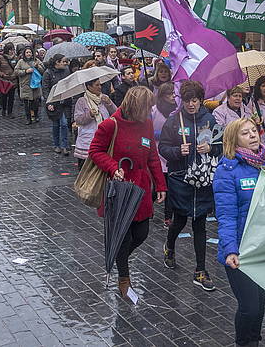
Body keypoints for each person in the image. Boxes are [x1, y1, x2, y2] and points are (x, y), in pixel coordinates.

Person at [213, 118, 265, 347]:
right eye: (245, 133)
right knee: (249, 306)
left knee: (259, 303)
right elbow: (226, 215)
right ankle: (243, 342)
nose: (253, 136)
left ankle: (253, 341)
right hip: (242, 248)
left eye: (254, 131)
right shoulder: (227, 170)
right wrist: (230, 250)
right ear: (233, 140)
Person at [89, 86, 167, 297]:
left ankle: (118, 257)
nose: (150, 111)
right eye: (147, 107)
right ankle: (124, 276)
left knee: (141, 234)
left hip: (141, 188)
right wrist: (113, 167)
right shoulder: (110, 125)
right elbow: (95, 151)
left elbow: (152, 156)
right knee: (123, 235)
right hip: (119, 189)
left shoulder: (147, 124)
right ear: (136, 106)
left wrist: (160, 185)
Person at [159, 80, 219, 291]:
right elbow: (163, 147)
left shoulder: (210, 120)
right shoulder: (174, 121)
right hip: (180, 178)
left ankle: (200, 270)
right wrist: (177, 151)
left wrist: (211, 148)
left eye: (194, 100)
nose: (191, 104)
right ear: (182, 101)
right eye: (187, 101)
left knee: (200, 223)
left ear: (200, 100)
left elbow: (220, 147)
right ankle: (170, 246)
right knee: (180, 219)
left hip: (203, 179)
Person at [73, 78, 117, 169]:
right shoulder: (82, 101)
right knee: (86, 169)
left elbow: (115, 113)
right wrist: (89, 114)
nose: (100, 87)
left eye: (100, 84)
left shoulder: (104, 98)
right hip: (88, 139)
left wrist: (109, 103)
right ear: (89, 87)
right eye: (97, 85)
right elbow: (78, 120)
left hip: (104, 137)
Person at [151, 82, 177, 227]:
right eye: (169, 94)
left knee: (171, 188)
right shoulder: (154, 110)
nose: (173, 96)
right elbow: (147, 130)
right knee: (157, 186)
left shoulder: (178, 111)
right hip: (157, 152)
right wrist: (163, 134)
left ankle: (168, 216)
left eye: (174, 93)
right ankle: (148, 207)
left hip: (172, 153)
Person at [43, 54, 72, 155]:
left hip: (65, 101)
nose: (65, 63)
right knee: (57, 124)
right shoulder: (48, 73)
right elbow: (45, 88)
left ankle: (64, 145)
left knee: (64, 123)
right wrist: (49, 102)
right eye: (63, 61)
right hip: (54, 102)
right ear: (57, 62)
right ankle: (57, 144)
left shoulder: (66, 71)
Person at [14, 46, 45, 125]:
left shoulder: (36, 60)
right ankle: (28, 118)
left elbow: (43, 71)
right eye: (27, 52)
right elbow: (16, 71)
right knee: (27, 103)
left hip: (35, 84)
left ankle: (36, 115)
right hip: (25, 85)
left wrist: (38, 66)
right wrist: (25, 71)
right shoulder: (21, 62)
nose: (28, 54)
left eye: (30, 52)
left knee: (35, 102)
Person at [0, 43, 18, 117]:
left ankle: (10, 112)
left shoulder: (16, 58)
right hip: (4, 81)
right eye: (10, 50)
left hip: (13, 80)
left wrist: (14, 74)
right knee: (4, 96)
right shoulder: (1, 57)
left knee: (11, 97)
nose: (11, 51)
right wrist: (1, 74)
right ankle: (4, 109)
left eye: (13, 49)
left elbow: (18, 68)